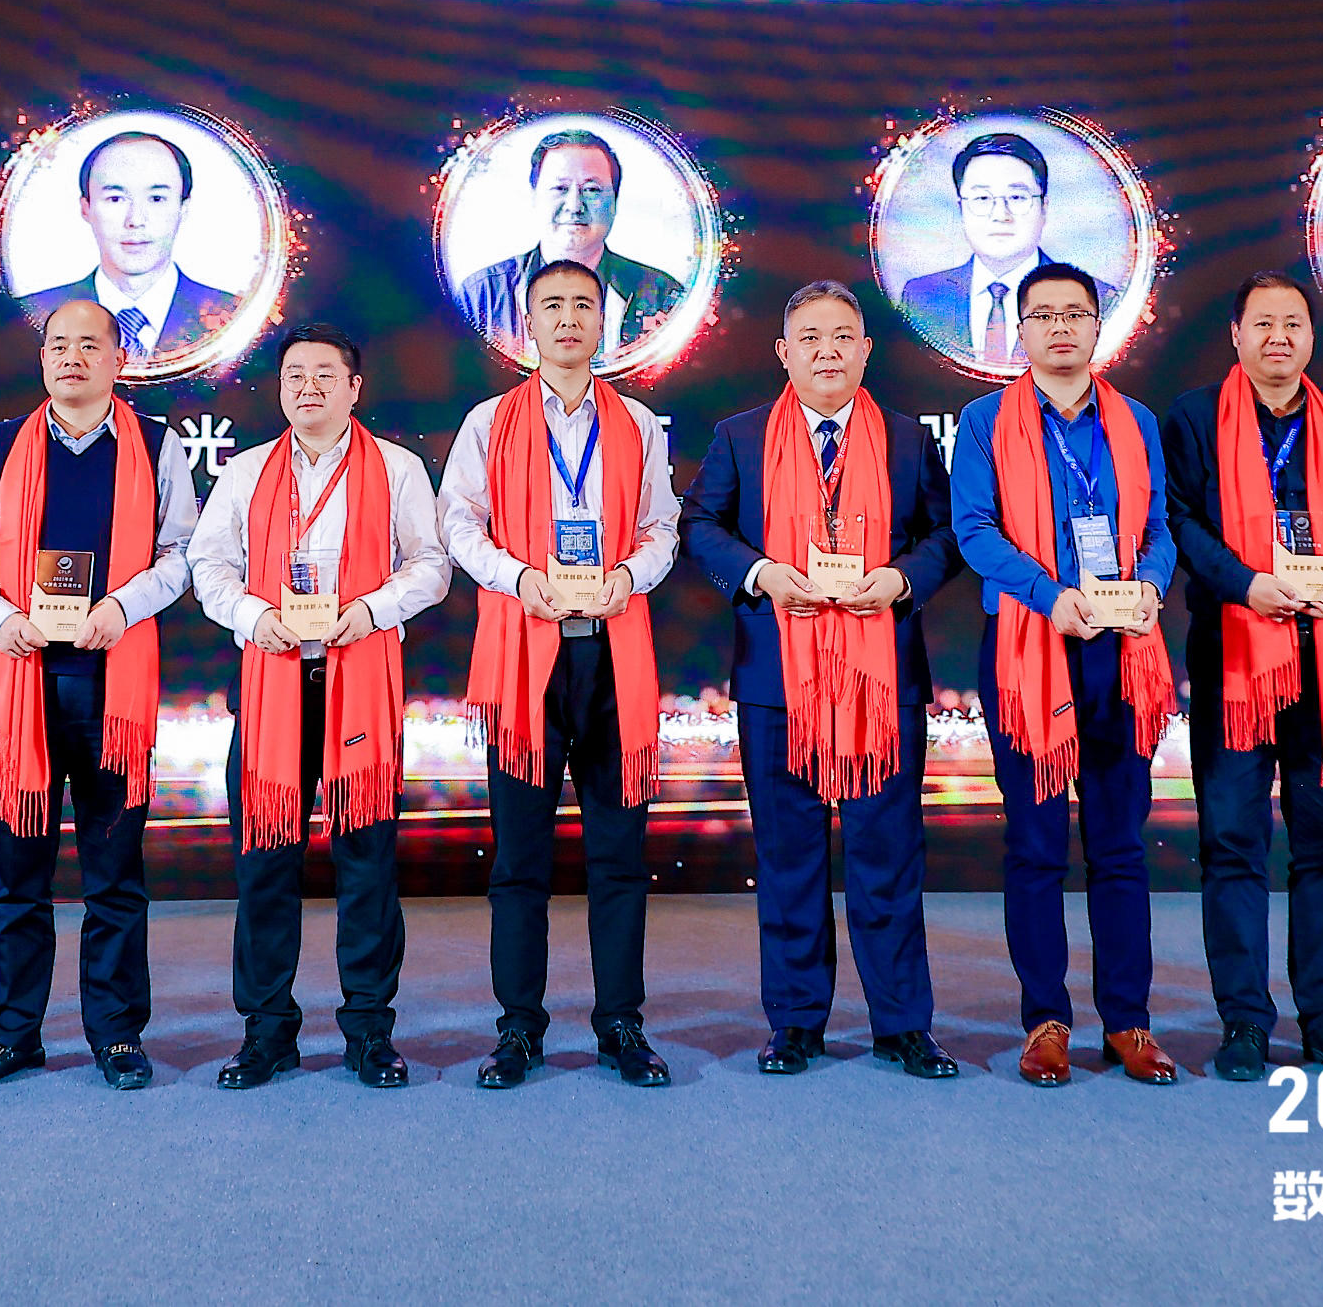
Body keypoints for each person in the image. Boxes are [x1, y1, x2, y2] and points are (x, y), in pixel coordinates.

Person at [680, 280, 961, 1079]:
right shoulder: (739, 436)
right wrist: (761, 572)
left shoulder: (907, 438)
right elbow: (699, 523)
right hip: (778, 680)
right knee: (789, 855)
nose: (826, 350)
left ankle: (902, 1023)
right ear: (783, 352)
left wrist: (901, 579)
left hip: (882, 677)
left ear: (866, 349)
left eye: (842, 336)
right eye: (809, 337)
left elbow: (945, 533)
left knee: (887, 855)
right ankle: (796, 1021)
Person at [0, 297, 201, 1092]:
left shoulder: (154, 444)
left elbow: (181, 552)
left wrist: (122, 605)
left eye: (90, 345)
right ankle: (11, 1034)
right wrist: (0, 618)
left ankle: (116, 1034)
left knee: (113, 874)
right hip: (21, 682)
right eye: (58, 345)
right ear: (42, 358)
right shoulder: (0, 445)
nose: (72, 357)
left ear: (119, 359)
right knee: (16, 876)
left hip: (110, 685)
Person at [438, 259, 681, 1089]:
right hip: (524, 655)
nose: (569, 317)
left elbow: (661, 527)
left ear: (602, 321)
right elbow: (458, 523)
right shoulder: (488, 422)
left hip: (611, 652)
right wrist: (517, 578)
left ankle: (620, 1023)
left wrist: (629, 577)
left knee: (619, 855)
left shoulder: (637, 422)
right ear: (528, 322)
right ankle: (518, 1027)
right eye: (552, 305)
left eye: (583, 303)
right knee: (519, 860)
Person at [187, 325, 450, 1090]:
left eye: (325, 374)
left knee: (366, 866)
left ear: (353, 387)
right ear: (279, 388)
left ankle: (368, 1030)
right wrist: (250, 614)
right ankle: (266, 1031)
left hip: (358, 680)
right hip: (274, 683)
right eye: (294, 374)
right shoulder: (244, 472)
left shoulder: (396, 468)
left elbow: (431, 564)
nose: (308, 386)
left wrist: (371, 610)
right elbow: (209, 564)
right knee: (264, 865)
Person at [1163, 273, 1323, 1083]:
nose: (1278, 336)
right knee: (1232, 842)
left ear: (1310, 335)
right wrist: (1243, 582)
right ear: (1234, 334)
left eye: (1292, 323)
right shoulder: (1193, 416)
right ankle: (1243, 1018)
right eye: (1261, 323)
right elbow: (1177, 518)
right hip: (1232, 648)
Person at [948, 262, 1180, 1088]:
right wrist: (1052, 597)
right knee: (1036, 844)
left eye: (1073, 313)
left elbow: (1158, 527)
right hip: (1029, 646)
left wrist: (1149, 585)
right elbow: (973, 529)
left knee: (1118, 844)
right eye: (1041, 314)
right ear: (1019, 331)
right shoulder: (984, 420)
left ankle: (1127, 1021)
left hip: (1121, 648)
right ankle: (1044, 1020)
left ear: (1096, 325)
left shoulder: (1135, 419)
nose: (1058, 327)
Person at [455, 127, 690, 359]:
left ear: (615, 202)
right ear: (535, 197)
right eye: (560, 188)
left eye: (591, 189)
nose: (575, 205)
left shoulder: (662, 297)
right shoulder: (481, 296)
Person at [14, 129, 243, 365]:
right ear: (86, 208)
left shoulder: (236, 318)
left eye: (156, 199)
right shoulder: (30, 316)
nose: (135, 220)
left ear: (183, 208)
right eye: (115, 199)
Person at [897, 129, 1057, 369]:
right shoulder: (920, 297)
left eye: (1017, 198)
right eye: (982, 199)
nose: (1000, 215)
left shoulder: (1096, 299)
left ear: (1044, 208)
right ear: (961, 209)